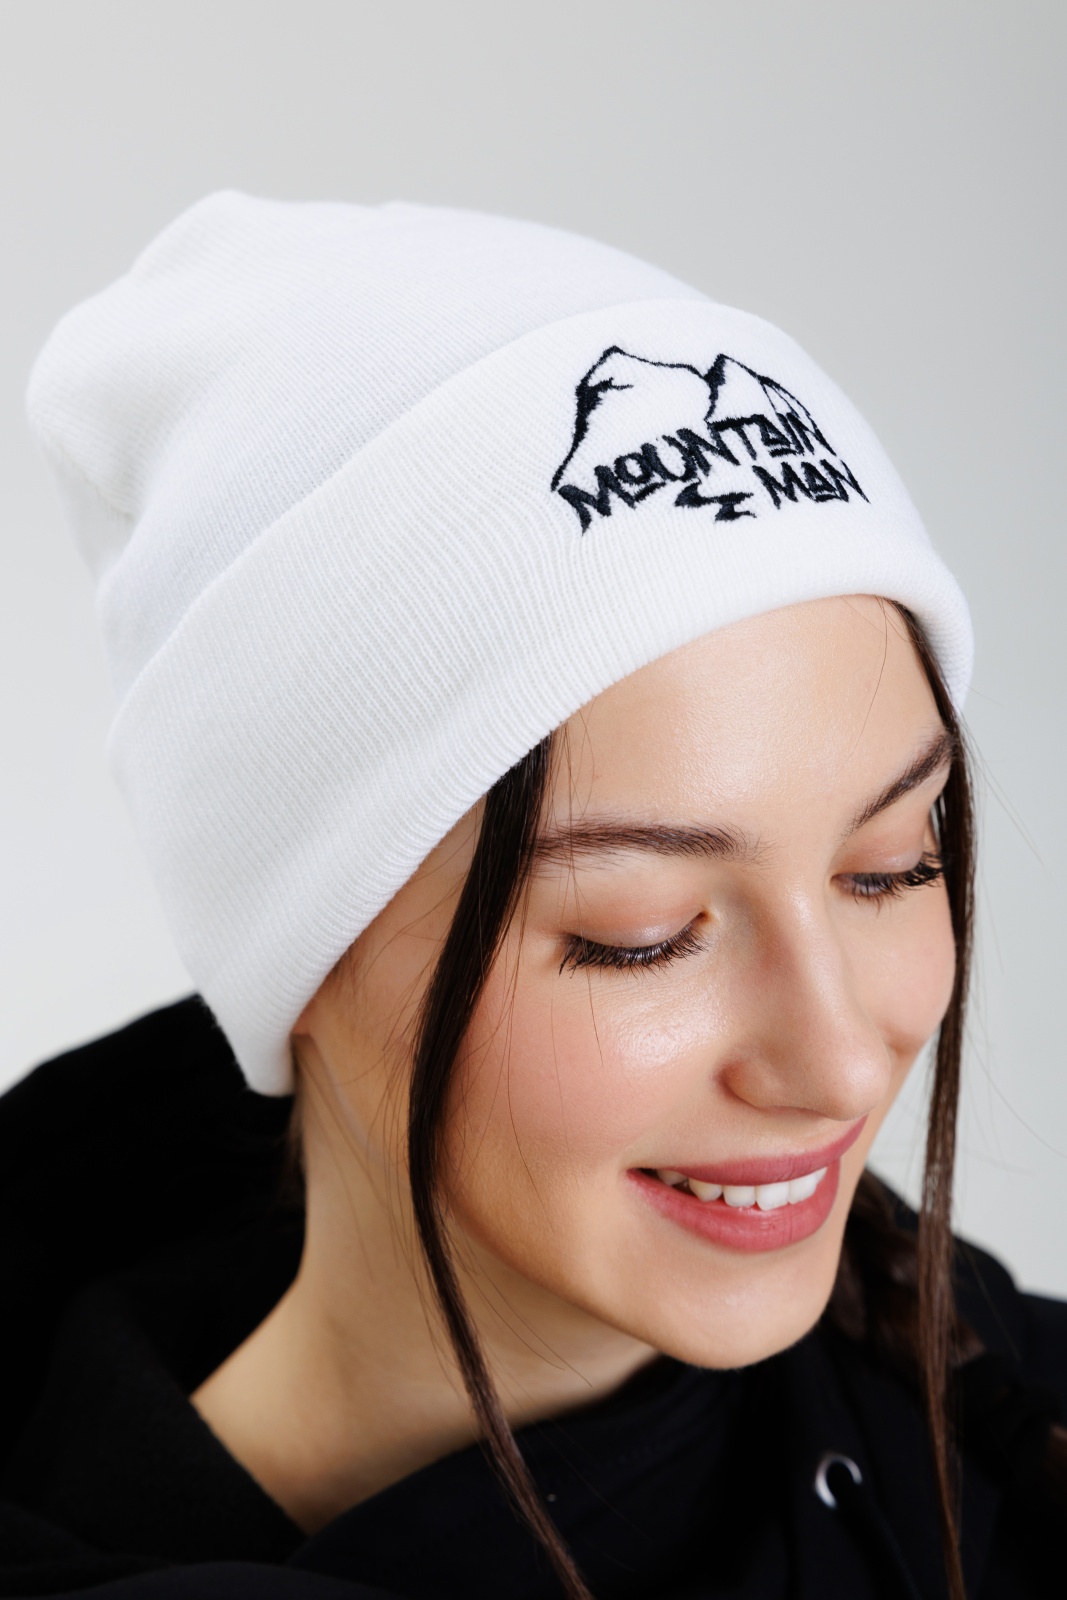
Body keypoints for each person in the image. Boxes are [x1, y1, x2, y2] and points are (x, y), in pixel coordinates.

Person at [1, 195, 1063, 1600]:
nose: (839, 1063)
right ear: (301, 951)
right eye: (643, 937)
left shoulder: (1014, 1417)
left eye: (891, 867)